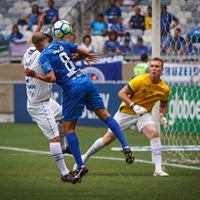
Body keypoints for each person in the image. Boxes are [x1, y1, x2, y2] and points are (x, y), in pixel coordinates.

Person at [25, 31, 134, 183]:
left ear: (37, 45)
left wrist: (34, 75)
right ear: (48, 39)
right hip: (85, 79)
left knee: (69, 129)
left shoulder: (43, 56)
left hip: (72, 87)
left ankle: (81, 166)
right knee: (106, 115)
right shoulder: (60, 44)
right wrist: (83, 57)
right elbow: (84, 52)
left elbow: (52, 78)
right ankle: (126, 145)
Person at [73, 57, 170, 177]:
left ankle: (158, 169)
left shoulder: (165, 89)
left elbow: (163, 105)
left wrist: (162, 116)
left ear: (162, 69)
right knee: (107, 140)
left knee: (154, 133)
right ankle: (83, 158)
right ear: (149, 68)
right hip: (126, 112)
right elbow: (121, 93)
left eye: (157, 67)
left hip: (144, 114)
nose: (154, 69)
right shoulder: (139, 80)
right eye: (152, 66)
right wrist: (134, 106)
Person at [23, 14, 76, 184]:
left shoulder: (29, 51)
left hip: (46, 101)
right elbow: (52, 77)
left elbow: (33, 40)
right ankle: (64, 173)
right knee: (54, 138)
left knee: (64, 118)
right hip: (39, 105)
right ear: (43, 43)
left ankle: (63, 147)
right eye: (46, 41)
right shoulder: (42, 56)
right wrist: (35, 74)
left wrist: (39, 25)